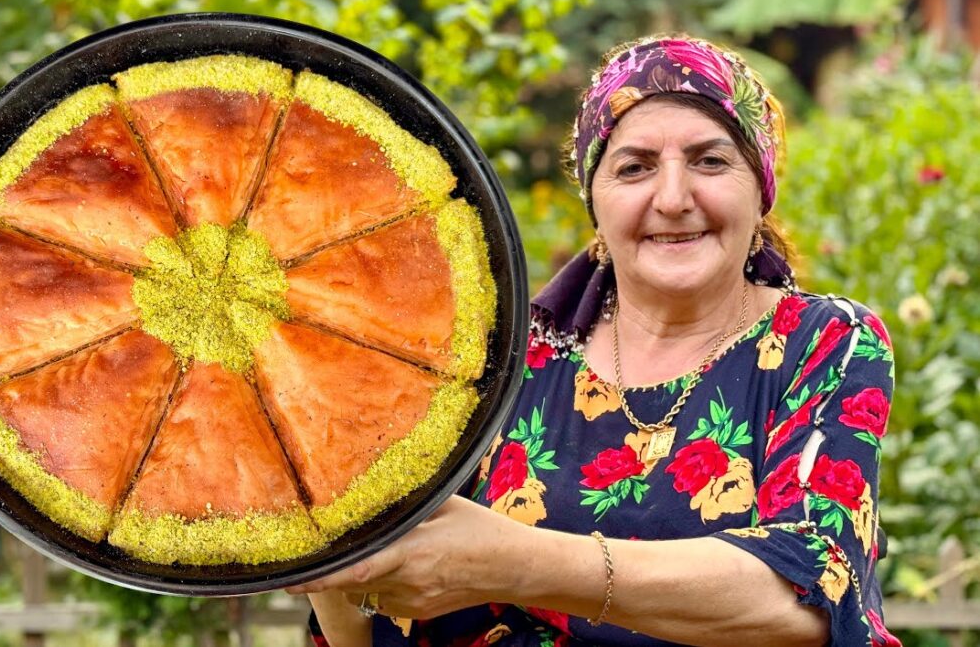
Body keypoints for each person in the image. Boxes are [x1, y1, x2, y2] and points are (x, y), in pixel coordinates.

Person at [288, 35, 901, 647]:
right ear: (595, 200)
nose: (672, 198)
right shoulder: (495, 358)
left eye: (711, 161)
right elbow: (366, 631)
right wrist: (328, 548)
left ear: (759, 190)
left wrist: (512, 564)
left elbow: (809, 600)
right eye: (633, 167)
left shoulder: (825, 344)